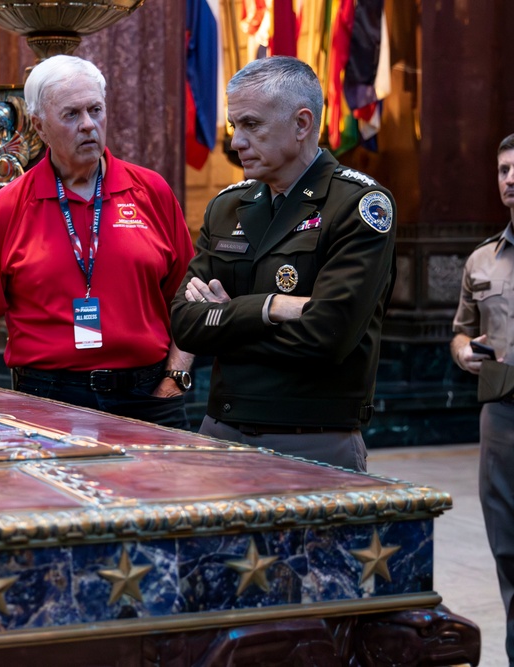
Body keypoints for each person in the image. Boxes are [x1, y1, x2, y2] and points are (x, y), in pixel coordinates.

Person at [0, 55, 196, 428]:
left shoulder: (150, 191)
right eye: (71, 114)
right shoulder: (11, 205)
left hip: (147, 398)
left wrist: (175, 378)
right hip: (49, 400)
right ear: (39, 127)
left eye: (96, 110)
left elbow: (189, 304)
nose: (89, 125)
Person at [170, 56, 396, 470]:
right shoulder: (228, 207)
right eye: (234, 125)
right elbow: (185, 323)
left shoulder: (357, 205)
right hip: (221, 430)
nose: (236, 141)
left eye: (251, 125)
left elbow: (328, 336)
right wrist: (272, 307)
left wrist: (225, 319)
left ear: (302, 123)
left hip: (312, 439)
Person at [450, 132, 514, 666]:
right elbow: (461, 330)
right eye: (502, 169)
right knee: (509, 550)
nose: (509, 178)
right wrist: (462, 353)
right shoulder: (482, 261)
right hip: (502, 415)